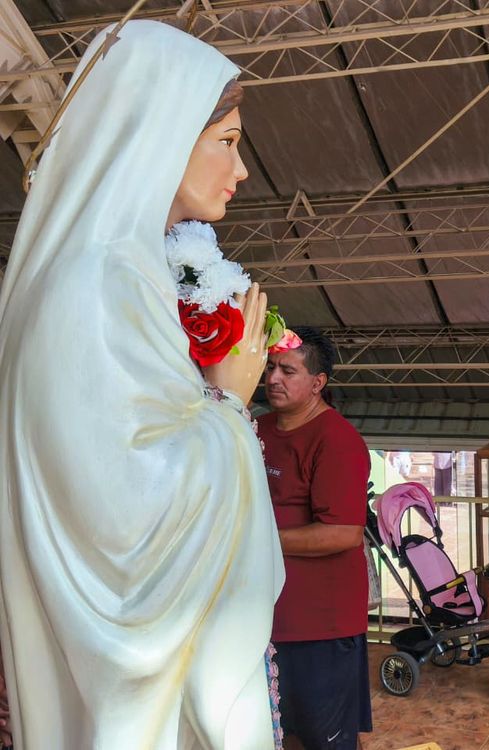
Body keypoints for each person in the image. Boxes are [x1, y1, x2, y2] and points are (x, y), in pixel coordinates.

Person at [0, 21, 284, 749]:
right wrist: (226, 401)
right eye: (226, 140)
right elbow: (124, 529)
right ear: (158, 131)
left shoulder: (124, 273)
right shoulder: (96, 281)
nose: (242, 168)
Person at [259, 327, 373, 750]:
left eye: (288, 371)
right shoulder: (256, 428)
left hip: (319, 626)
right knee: (280, 734)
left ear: (317, 383)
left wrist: (258, 540)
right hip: (266, 618)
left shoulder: (337, 440)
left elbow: (343, 532)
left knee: (325, 740)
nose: (274, 378)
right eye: (271, 367)